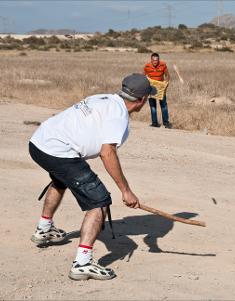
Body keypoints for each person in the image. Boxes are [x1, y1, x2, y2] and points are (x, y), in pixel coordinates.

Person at [28, 73, 155, 281]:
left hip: (39, 142)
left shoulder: (104, 98)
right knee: (99, 202)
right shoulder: (118, 115)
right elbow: (107, 153)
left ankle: (44, 229)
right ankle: (82, 263)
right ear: (142, 100)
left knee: (61, 179)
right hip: (58, 151)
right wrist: (126, 190)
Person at [144, 52, 172, 128]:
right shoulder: (147, 66)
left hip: (161, 88)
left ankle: (166, 123)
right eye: (154, 60)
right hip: (151, 88)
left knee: (164, 105)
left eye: (157, 60)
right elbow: (144, 77)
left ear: (159, 60)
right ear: (151, 60)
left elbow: (167, 76)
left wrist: (166, 82)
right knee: (153, 106)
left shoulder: (163, 65)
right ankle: (154, 123)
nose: (155, 62)